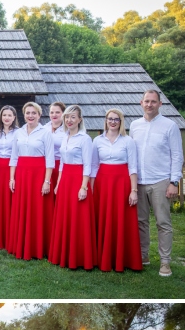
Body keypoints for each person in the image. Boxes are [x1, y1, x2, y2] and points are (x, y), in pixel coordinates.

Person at [128, 90, 183, 277]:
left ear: (160, 104)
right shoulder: (134, 126)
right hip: (140, 182)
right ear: (140, 103)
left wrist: (174, 181)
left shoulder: (170, 126)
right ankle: (143, 256)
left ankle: (165, 262)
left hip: (161, 180)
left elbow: (177, 155)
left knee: (163, 222)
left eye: (153, 101)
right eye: (146, 101)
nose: (149, 104)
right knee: (140, 222)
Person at [92, 108, 141, 272]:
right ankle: (102, 257)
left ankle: (123, 258)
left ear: (121, 122)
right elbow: (93, 166)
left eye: (116, 119)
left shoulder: (128, 141)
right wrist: (91, 187)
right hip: (102, 183)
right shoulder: (97, 141)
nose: (113, 122)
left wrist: (134, 190)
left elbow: (133, 167)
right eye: (110, 119)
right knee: (103, 217)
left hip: (122, 183)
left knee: (121, 219)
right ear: (105, 121)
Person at [49, 104, 97, 270]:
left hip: (78, 179)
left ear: (80, 119)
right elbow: (61, 162)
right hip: (65, 180)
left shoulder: (85, 139)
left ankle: (80, 257)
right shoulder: (64, 137)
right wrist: (58, 183)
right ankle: (63, 253)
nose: (69, 120)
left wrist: (84, 187)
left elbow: (87, 165)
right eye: (67, 117)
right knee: (64, 216)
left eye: (73, 117)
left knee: (78, 217)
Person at [8, 102, 56, 260]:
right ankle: (20, 244)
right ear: (24, 114)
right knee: (22, 208)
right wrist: (12, 178)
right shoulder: (19, 132)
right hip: (21, 174)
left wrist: (47, 181)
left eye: (33, 113)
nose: (30, 115)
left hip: (38, 174)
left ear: (39, 114)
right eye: (27, 112)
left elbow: (50, 159)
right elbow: (14, 157)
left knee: (38, 209)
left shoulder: (46, 133)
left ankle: (39, 246)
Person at [0, 105, 19, 250]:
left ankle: (10, 236)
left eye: (9, 115)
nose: (6, 118)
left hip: (12, 168)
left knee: (11, 200)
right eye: (4, 115)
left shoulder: (19, 133)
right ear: (0, 117)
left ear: (14, 117)